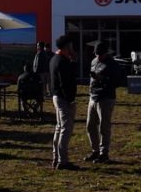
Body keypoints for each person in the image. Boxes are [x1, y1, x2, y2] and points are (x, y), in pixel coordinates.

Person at [85, 41, 121, 163]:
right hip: (93, 96)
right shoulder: (94, 61)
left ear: (106, 53)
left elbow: (117, 82)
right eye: (97, 54)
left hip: (105, 98)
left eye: (101, 54)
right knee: (90, 126)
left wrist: (102, 79)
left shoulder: (112, 64)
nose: (99, 57)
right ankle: (95, 151)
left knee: (104, 127)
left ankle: (104, 153)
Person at [49, 34, 79, 170]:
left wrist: (73, 63)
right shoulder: (62, 61)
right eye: (71, 45)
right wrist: (70, 99)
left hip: (57, 96)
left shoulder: (55, 59)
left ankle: (56, 157)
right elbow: (65, 82)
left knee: (59, 127)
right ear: (67, 46)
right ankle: (62, 160)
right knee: (66, 129)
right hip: (64, 98)